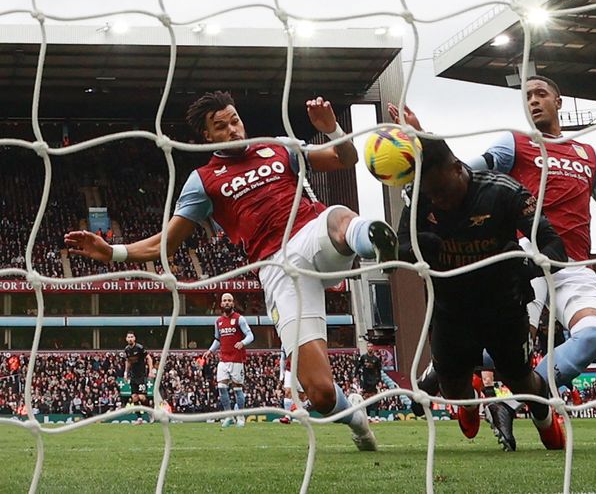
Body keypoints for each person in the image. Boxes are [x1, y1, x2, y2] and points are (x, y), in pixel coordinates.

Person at [389, 75, 596, 449]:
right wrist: (426, 149)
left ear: (558, 101)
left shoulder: (587, 154)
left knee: (595, 335)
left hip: (572, 266)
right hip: (520, 265)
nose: (533, 101)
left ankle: (511, 401)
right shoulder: (513, 142)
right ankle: (454, 366)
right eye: (527, 96)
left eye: (540, 94)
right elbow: (466, 173)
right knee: (507, 345)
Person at [66, 91, 398, 451]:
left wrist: (332, 128)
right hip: (278, 268)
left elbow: (343, 159)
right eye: (221, 126)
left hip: (312, 231)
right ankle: (358, 422)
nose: (232, 129)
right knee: (318, 392)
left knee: (338, 217)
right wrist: (112, 251)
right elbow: (167, 244)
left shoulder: (279, 147)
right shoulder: (204, 180)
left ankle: (374, 243)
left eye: (234, 120)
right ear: (207, 137)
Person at [396, 137, 567, 444]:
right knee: (451, 389)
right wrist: (420, 245)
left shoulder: (504, 191)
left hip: (503, 304)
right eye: (432, 195)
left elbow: (556, 248)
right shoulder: (418, 197)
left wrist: (525, 268)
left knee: (519, 380)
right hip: (450, 309)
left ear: (458, 168)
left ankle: (545, 421)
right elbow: (400, 249)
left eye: (443, 192)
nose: (440, 201)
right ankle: (471, 398)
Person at [202, 292, 254, 428]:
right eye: (224, 300)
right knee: (221, 387)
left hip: (236, 359)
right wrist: (210, 351)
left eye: (229, 300)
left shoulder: (239, 319)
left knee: (237, 388)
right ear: (221, 304)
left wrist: (243, 342)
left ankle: (241, 417)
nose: (226, 303)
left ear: (233, 303)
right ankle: (229, 416)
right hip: (223, 359)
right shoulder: (218, 321)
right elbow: (218, 339)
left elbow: (250, 335)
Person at [123, 331, 154, 424]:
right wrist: (126, 373)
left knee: (142, 397)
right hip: (133, 376)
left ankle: (150, 412)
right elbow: (128, 361)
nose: (130, 339)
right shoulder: (127, 349)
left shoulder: (140, 348)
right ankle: (139, 418)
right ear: (126, 339)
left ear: (134, 338)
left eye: (132, 337)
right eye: (128, 337)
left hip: (141, 375)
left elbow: (149, 358)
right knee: (134, 397)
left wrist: (151, 371)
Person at [354, 342, 383, 420]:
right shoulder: (363, 357)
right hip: (366, 381)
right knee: (366, 399)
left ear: (372, 348)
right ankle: (368, 416)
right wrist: (355, 376)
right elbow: (358, 367)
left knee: (375, 398)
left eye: (371, 346)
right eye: (368, 346)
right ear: (367, 348)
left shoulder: (376, 359)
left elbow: (379, 370)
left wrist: (379, 381)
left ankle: (377, 416)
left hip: (374, 381)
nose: (370, 348)